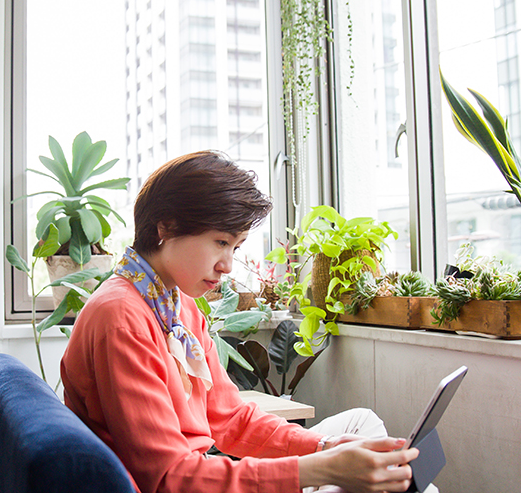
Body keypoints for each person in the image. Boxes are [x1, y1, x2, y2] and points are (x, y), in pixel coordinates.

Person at [60, 151, 419, 493]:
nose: (227, 265)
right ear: (166, 227)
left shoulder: (177, 305)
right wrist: (322, 468)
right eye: (220, 242)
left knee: (362, 426)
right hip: (186, 482)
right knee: (365, 466)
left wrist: (324, 447)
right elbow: (171, 479)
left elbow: (230, 418)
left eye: (236, 247)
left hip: (200, 474)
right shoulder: (122, 318)